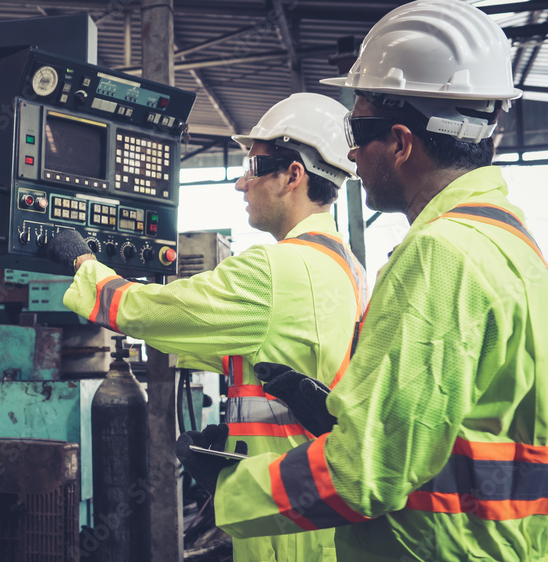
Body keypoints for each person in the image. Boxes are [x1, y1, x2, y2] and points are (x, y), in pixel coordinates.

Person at [178, 1, 548, 560]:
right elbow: (466, 426)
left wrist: (231, 493)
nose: (349, 151)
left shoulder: (438, 256)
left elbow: (364, 471)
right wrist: (338, 414)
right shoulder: (516, 248)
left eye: (356, 128)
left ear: (400, 143)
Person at [49, 92, 367, 561]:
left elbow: (148, 311)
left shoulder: (274, 268)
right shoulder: (349, 268)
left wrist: (84, 265)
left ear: (293, 175)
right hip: (321, 511)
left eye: (254, 166)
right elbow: (278, 351)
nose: (241, 183)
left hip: (282, 527)